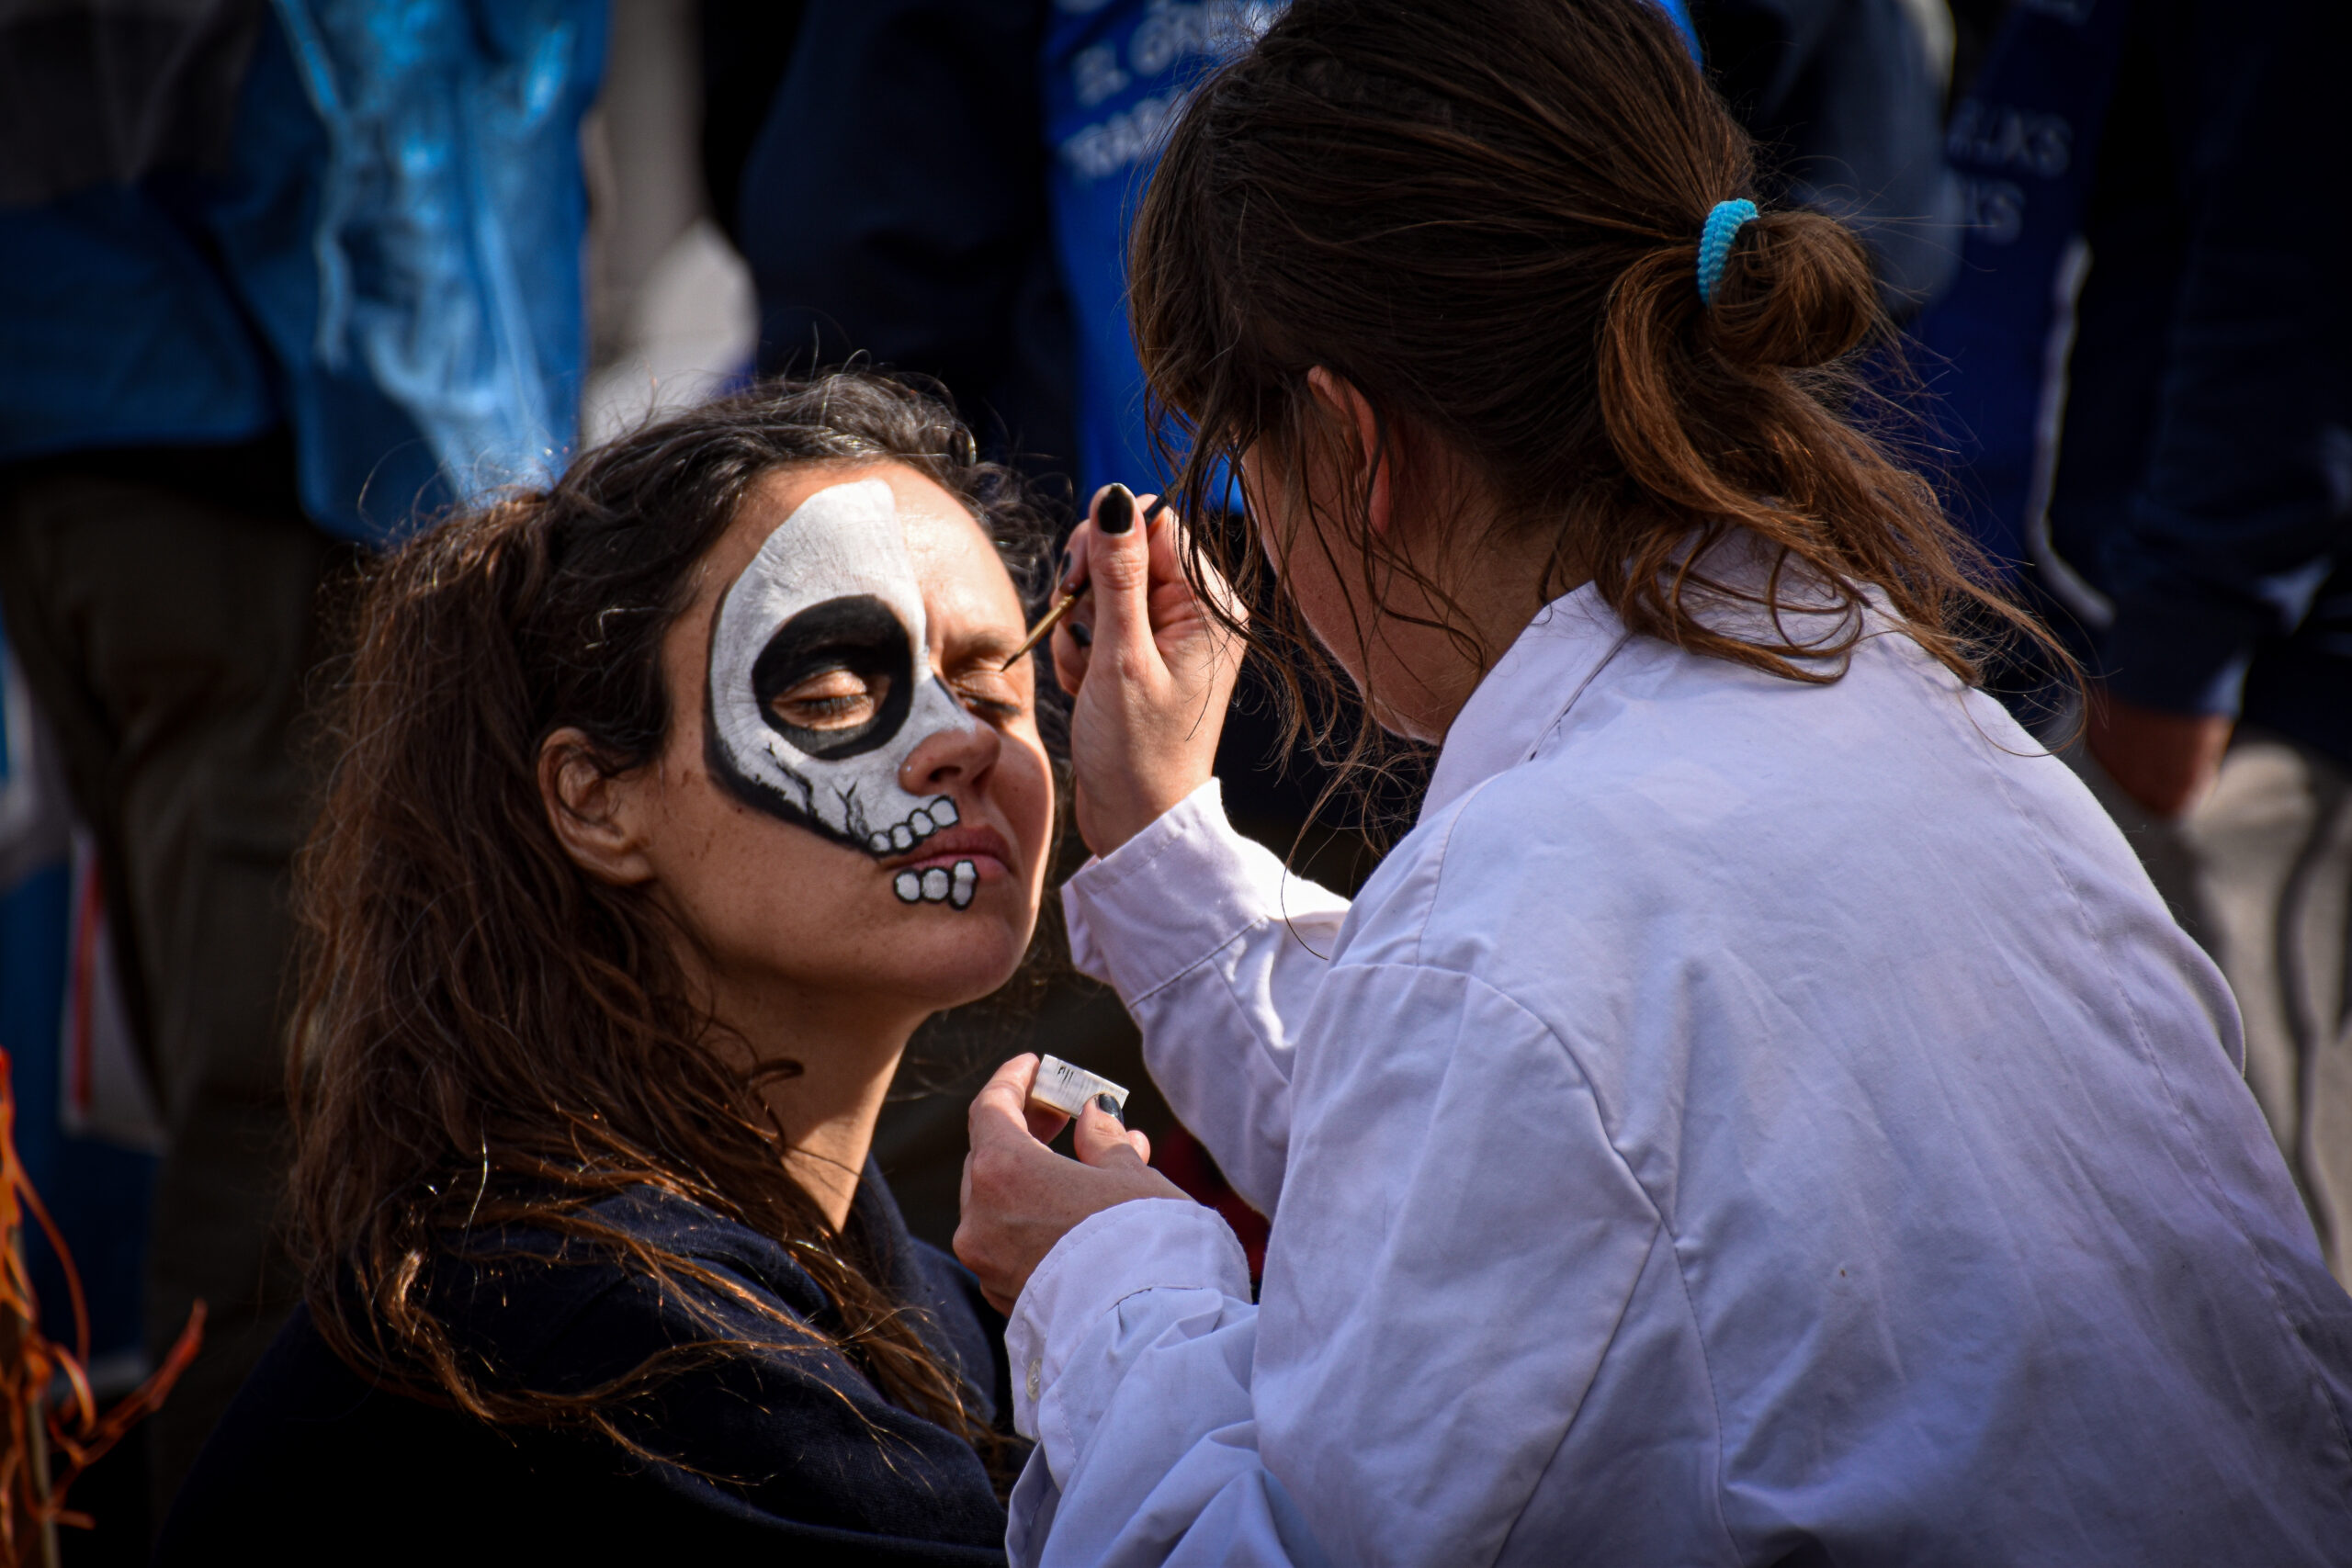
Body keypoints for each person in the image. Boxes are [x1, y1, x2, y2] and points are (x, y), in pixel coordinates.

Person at [949, 1, 2352, 1562]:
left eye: (1242, 464)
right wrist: (1165, 845)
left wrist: (1114, 1283)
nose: (1251, 536)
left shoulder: (1529, 931)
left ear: (1352, 447)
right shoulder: (1930, 733)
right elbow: (1533, 1142)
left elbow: (1292, 1527)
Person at [156, 375, 1054, 1562]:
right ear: (595, 800)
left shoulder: (928, 1309)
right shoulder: (593, 1326)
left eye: (995, 685)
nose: (960, 740)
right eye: (833, 690)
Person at [0, 0, 605, 1517]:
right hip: (296, 454)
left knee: (265, 1084)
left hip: (122, 424)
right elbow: (371, 99)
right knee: (310, 1103)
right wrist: (483, 516)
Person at [1914, 0, 2352, 1280]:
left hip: (2233, 689)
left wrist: (2184, 653)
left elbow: (2299, 277)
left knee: (2251, 1221)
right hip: (2097, 615)